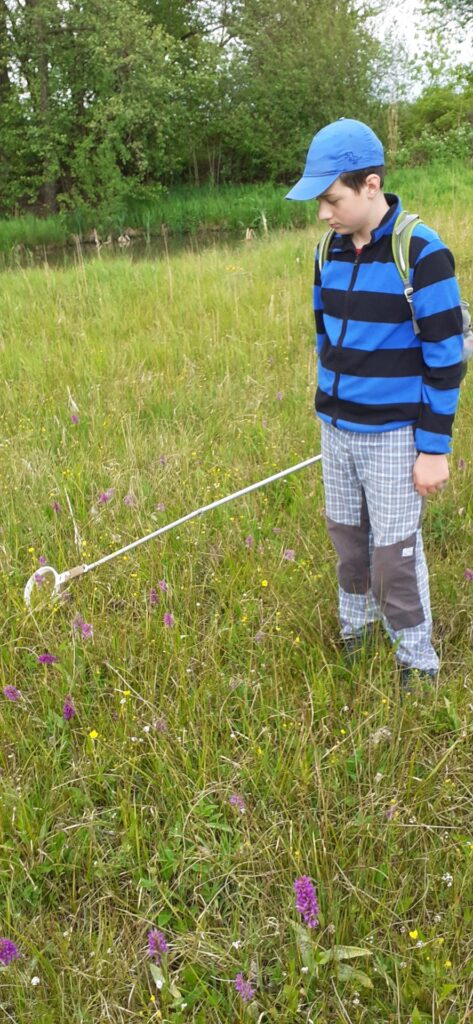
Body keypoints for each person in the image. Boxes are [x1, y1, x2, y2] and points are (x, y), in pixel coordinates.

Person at [285, 118, 464, 685]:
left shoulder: (422, 252)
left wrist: (432, 449)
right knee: (348, 540)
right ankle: (356, 631)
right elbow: (325, 337)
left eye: (331, 199)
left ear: (370, 185)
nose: (323, 213)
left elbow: (447, 359)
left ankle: (417, 662)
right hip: (336, 431)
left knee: (393, 555)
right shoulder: (327, 252)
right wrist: (333, 410)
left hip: (393, 438)